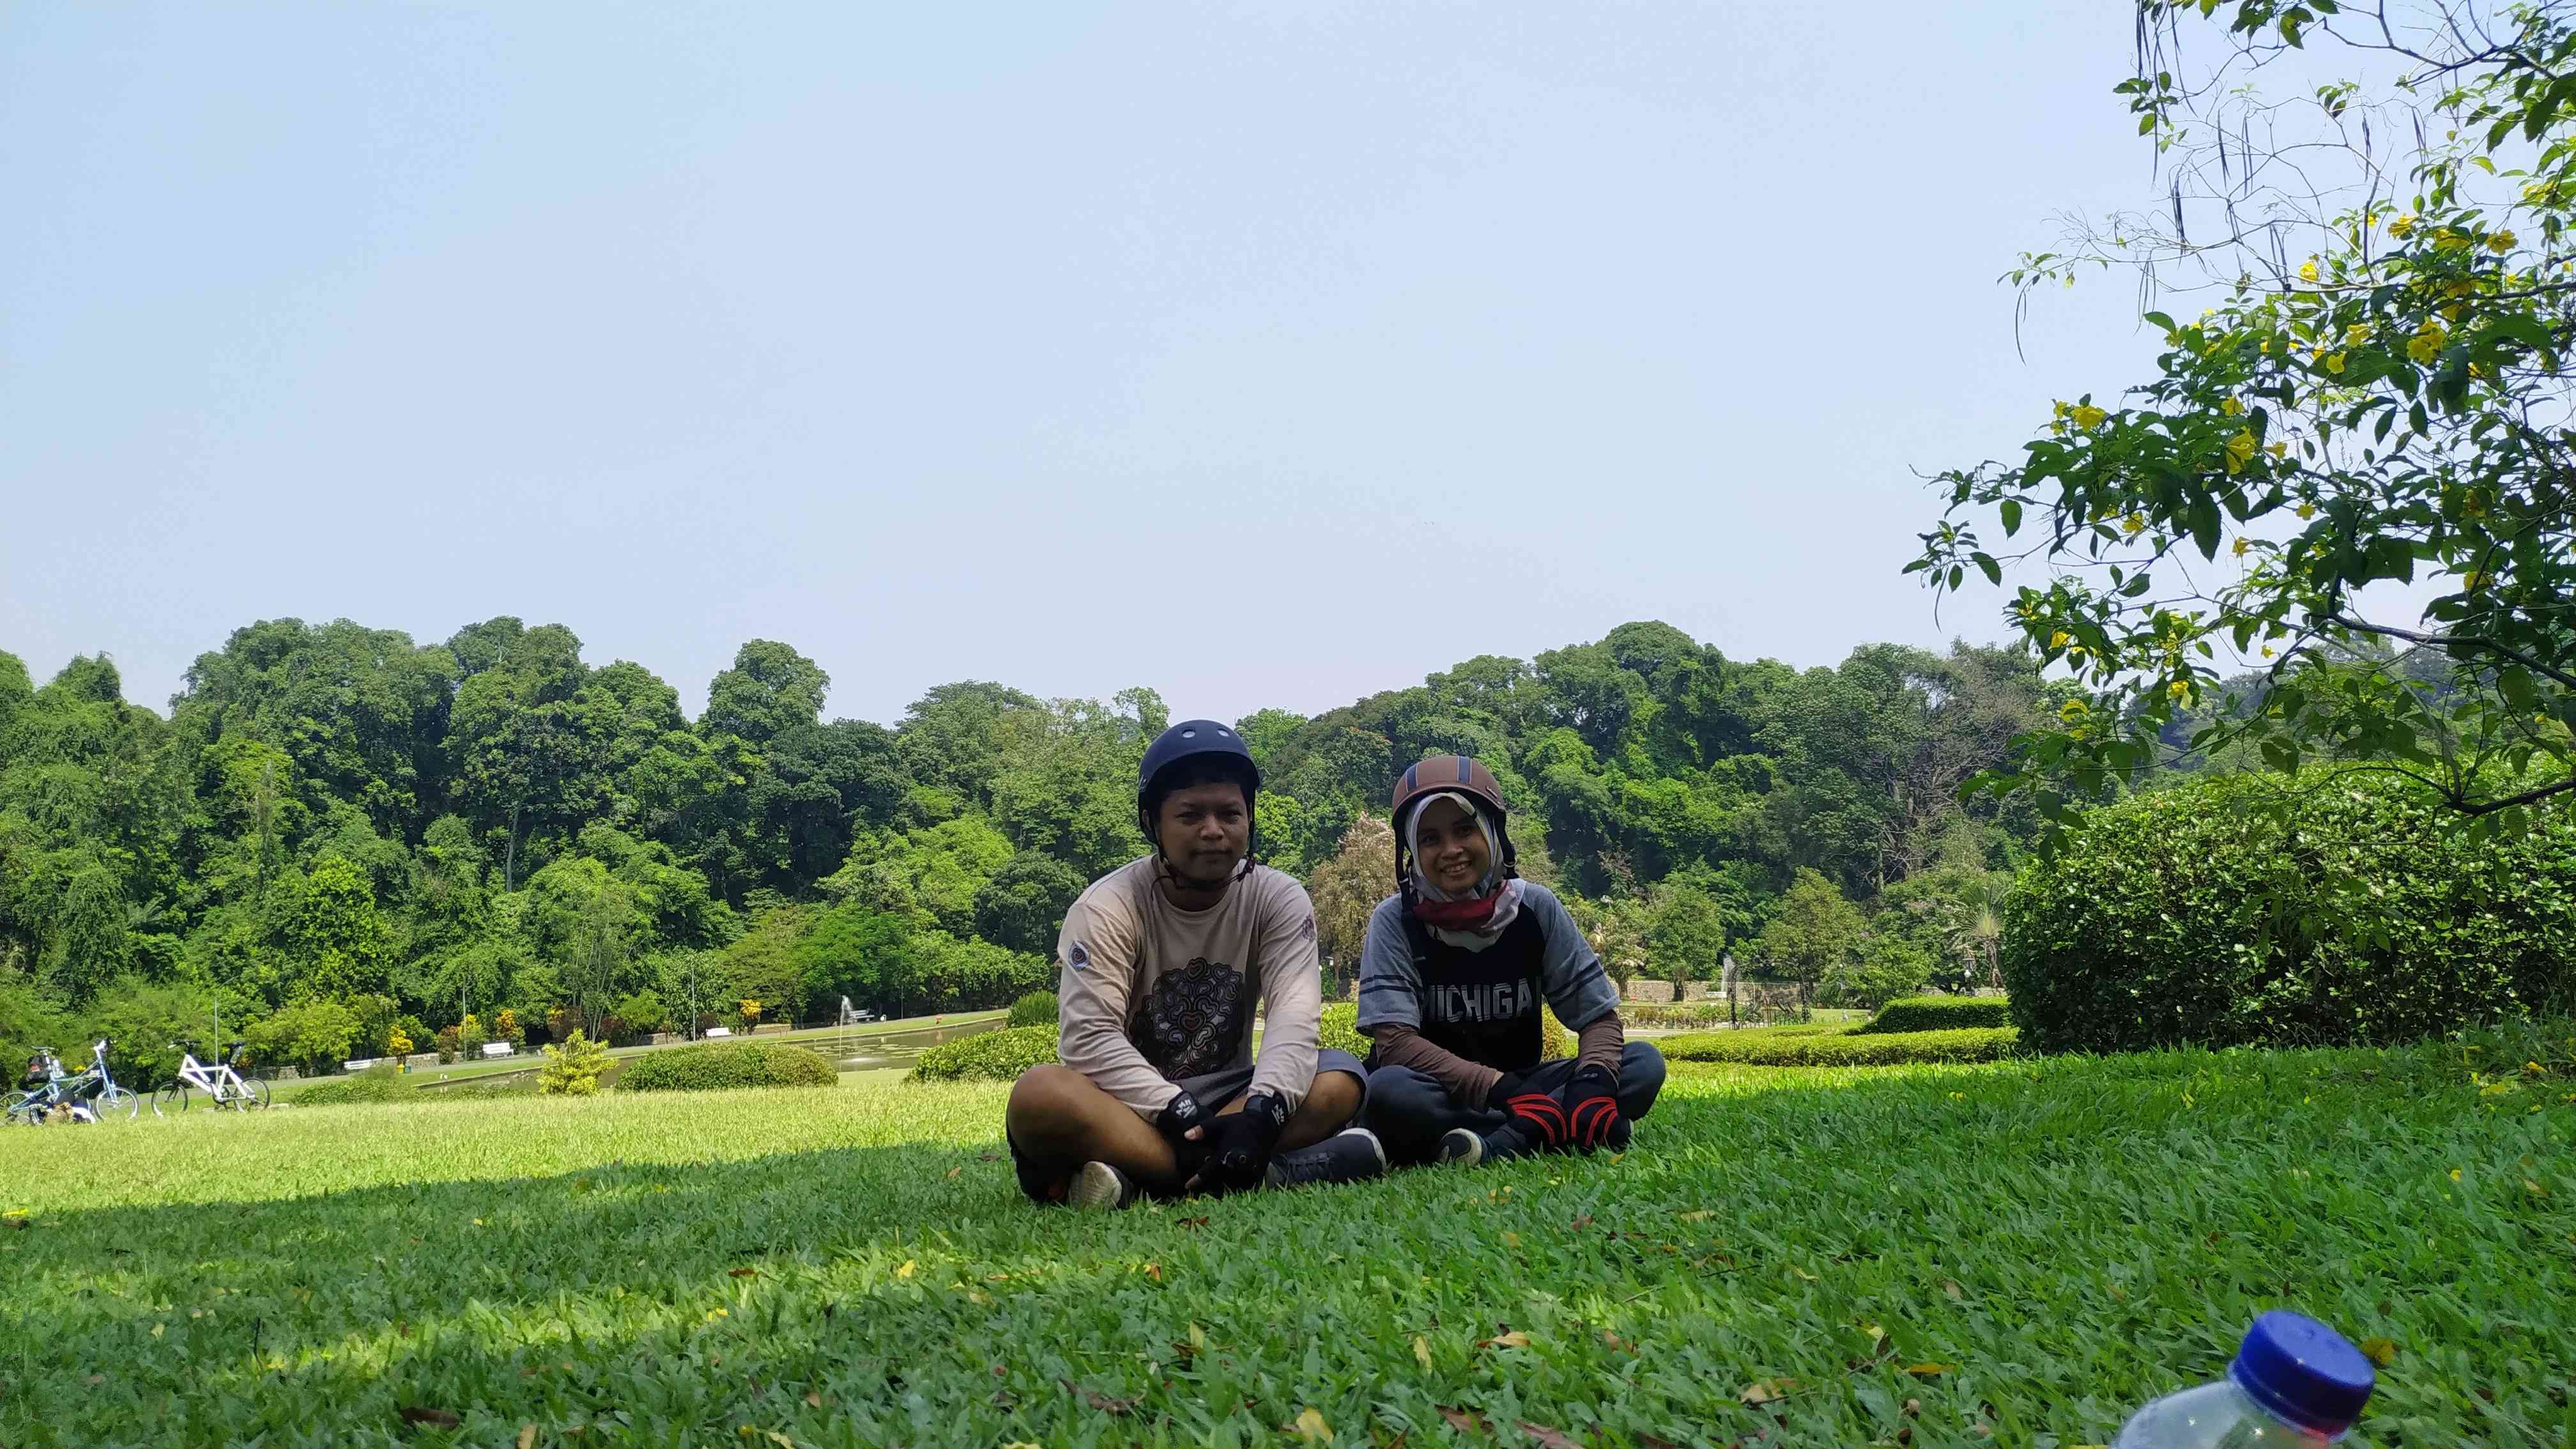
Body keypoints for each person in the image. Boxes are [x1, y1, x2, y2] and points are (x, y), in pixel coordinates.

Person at [1005, 719, 1385, 1208]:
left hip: (1232, 1097)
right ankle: (1265, 1171)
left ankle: (1142, 1180)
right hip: (1126, 1104)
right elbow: (1089, 1039)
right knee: (1040, 1096)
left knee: (1340, 1075)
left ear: (1250, 817)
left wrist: (1261, 1114)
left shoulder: (1278, 898)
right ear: (1153, 824)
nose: (1213, 831)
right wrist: (1174, 1109)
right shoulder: (1107, 907)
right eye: (1190, 816)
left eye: (1230, 813)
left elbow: (1292, 1019)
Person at [1358, 755, 1665, 1167]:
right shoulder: (1395, 920)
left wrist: (1592, 1085)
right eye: (1429, 839)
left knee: (1642, 1064)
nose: (1451, 851)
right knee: (1390, 1090)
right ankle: (1552, 1127)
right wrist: (1500, 1090)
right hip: (1446, 1090)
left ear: (1493, 832)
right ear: (1411, 850)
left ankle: (1505, 1136)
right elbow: (1395, 1045)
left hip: (1528, 1084)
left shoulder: (1535, 908)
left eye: (1465, 830)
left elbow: (1599, 1017)